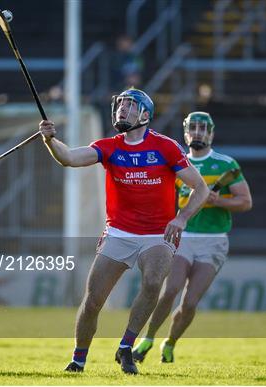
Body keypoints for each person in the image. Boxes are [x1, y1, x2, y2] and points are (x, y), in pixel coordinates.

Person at [38, 88, 209, 374]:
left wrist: (182, 218)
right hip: (118, 233)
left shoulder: (165, 147)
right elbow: (68, 157)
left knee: (154, 282)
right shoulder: (109, 146)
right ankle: (79, 359)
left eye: (130, 106)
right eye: (120, 105)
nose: (122, 110)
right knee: (92, 302)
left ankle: (126, 345)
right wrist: (49, 139)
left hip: (158, 234)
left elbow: (201, 188)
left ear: (145, 114)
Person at [133, 111, 252, 363]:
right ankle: (148, 339)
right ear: (186, 133)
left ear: (211, 133)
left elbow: (245, 202)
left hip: (213, 240)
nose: (198, 132)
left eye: (203, 128)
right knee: (170, 290)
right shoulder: (177, 165)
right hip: (182, 237)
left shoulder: (225, 164)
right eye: (193, 128)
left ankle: (170, 342)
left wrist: (219, 200)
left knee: (189, 302)